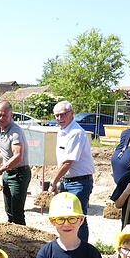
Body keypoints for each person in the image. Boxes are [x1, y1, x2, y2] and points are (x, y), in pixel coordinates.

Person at [49, 101, 96, 242]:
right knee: (66, 216)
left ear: (72, 114)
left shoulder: (76, 133)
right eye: (57, 115)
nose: (59, 118)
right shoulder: (62, 131)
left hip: (79, 182)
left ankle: (82, 251)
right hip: (68, 181)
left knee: (78, 218)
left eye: (63, 114)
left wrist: (54, 181)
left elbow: (69, 162)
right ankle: (69, 245)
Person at [0, 100, 30, 225]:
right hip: (7, 172)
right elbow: (6, 150)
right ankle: (11, 239)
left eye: (4, 115)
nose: (0, 118)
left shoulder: (15, 132)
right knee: (9, 211)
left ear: (11, 115)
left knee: (17, 212)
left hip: (19, 174)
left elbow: (17, 156)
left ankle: (23, 241)